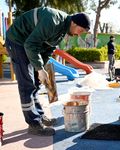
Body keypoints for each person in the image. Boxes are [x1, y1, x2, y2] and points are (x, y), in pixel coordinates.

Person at [5, 7, 91, 136]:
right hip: (18, 41)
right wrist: (39, 68)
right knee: (27, 84)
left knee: (36, 83)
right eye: (81, 30)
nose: (79, 34)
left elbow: (48, 50)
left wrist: (42, 69)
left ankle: (39, 116)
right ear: (74, 23)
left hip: (29, 44)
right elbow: (30, 44)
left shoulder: (63, 29)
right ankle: (34, 124)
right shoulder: (53, 21)